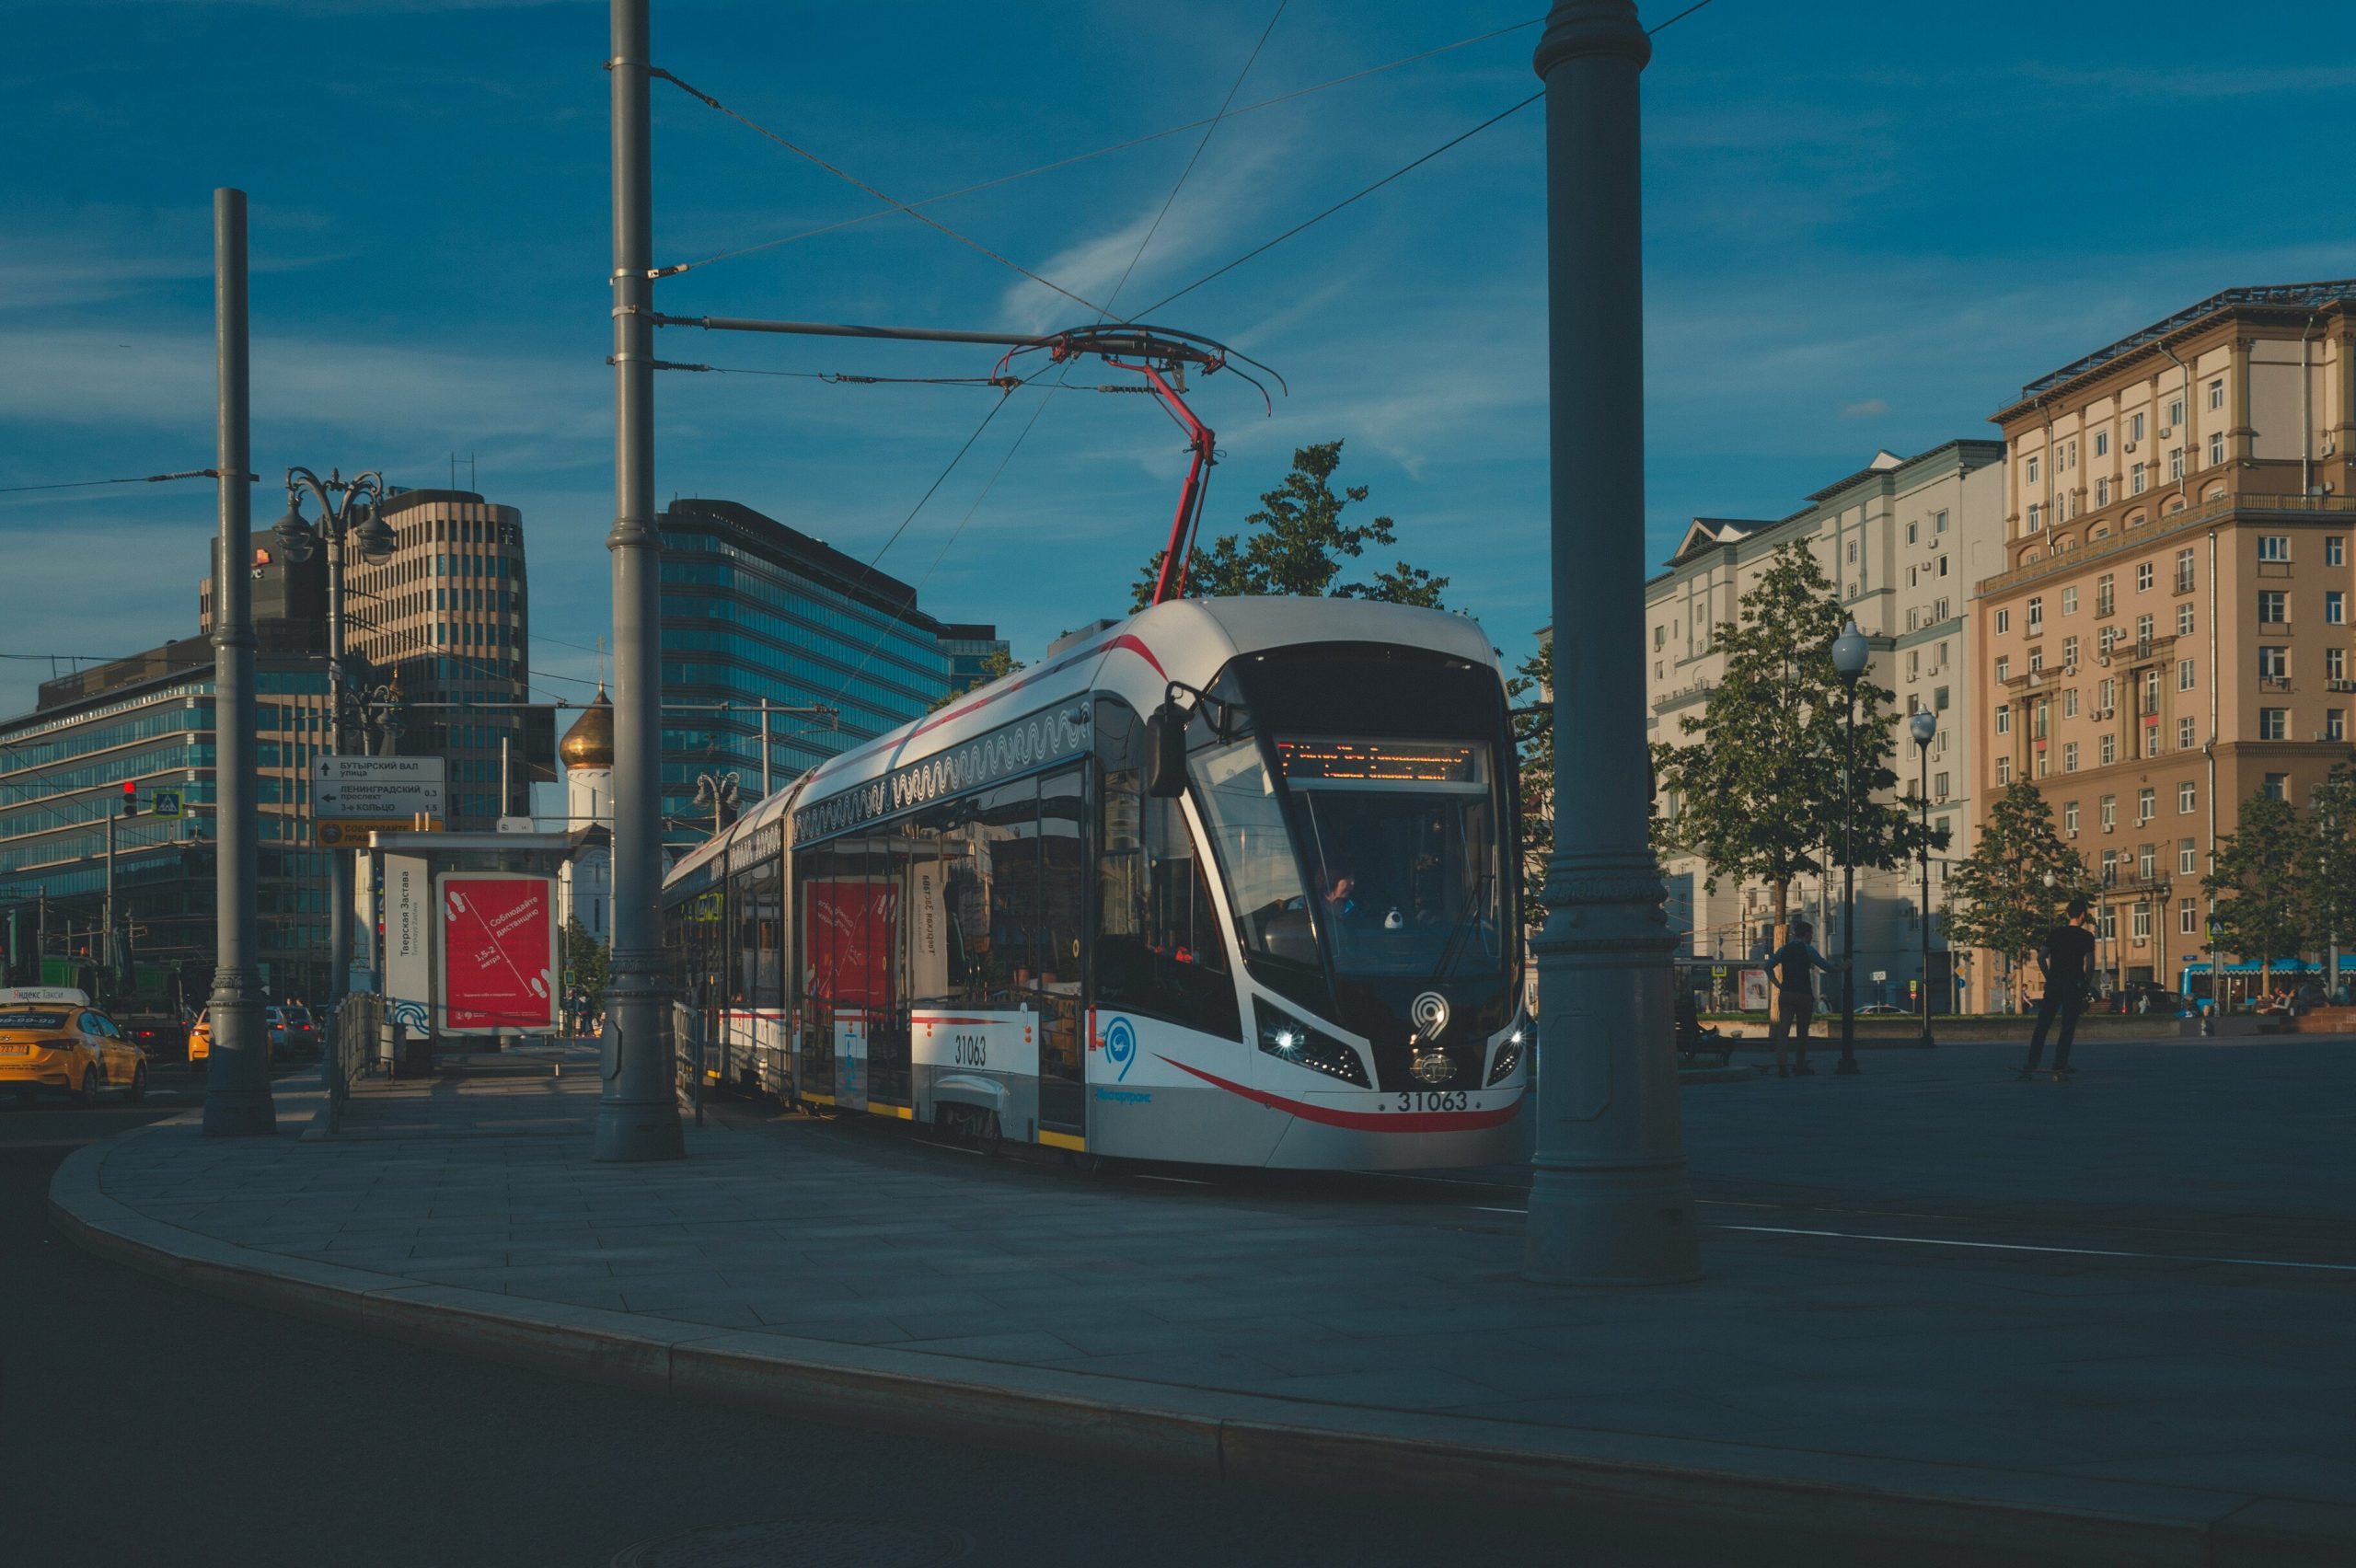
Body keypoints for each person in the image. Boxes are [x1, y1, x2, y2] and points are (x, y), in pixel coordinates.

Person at [2020, 898, 2096, 1080]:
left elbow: (2041, 958)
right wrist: (2085, 984)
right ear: (2083, 915)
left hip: (2054, 984)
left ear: (2068, 914)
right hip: (2073, 984)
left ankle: (2032, 1063)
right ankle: (2059, 1064)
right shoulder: (2086, 937)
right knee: (2067, 1026)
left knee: (2043, 1025)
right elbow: (2090, 963)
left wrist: (2049, 976)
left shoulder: (2055, 933)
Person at [1766, 919, 1840, 1078]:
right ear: (1806, 934)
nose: (1812, 936)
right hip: (1803, 994)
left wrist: (1777, 984)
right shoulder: (1808, 950)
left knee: (1783, 1032)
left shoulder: (1783, 950)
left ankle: (1782, 1066)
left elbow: (1768, 966)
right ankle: (1800, 1066)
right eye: (1811, 933)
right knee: (1802, 1033)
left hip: (1786, 994)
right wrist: (1841, 968)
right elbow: (1825, 966)